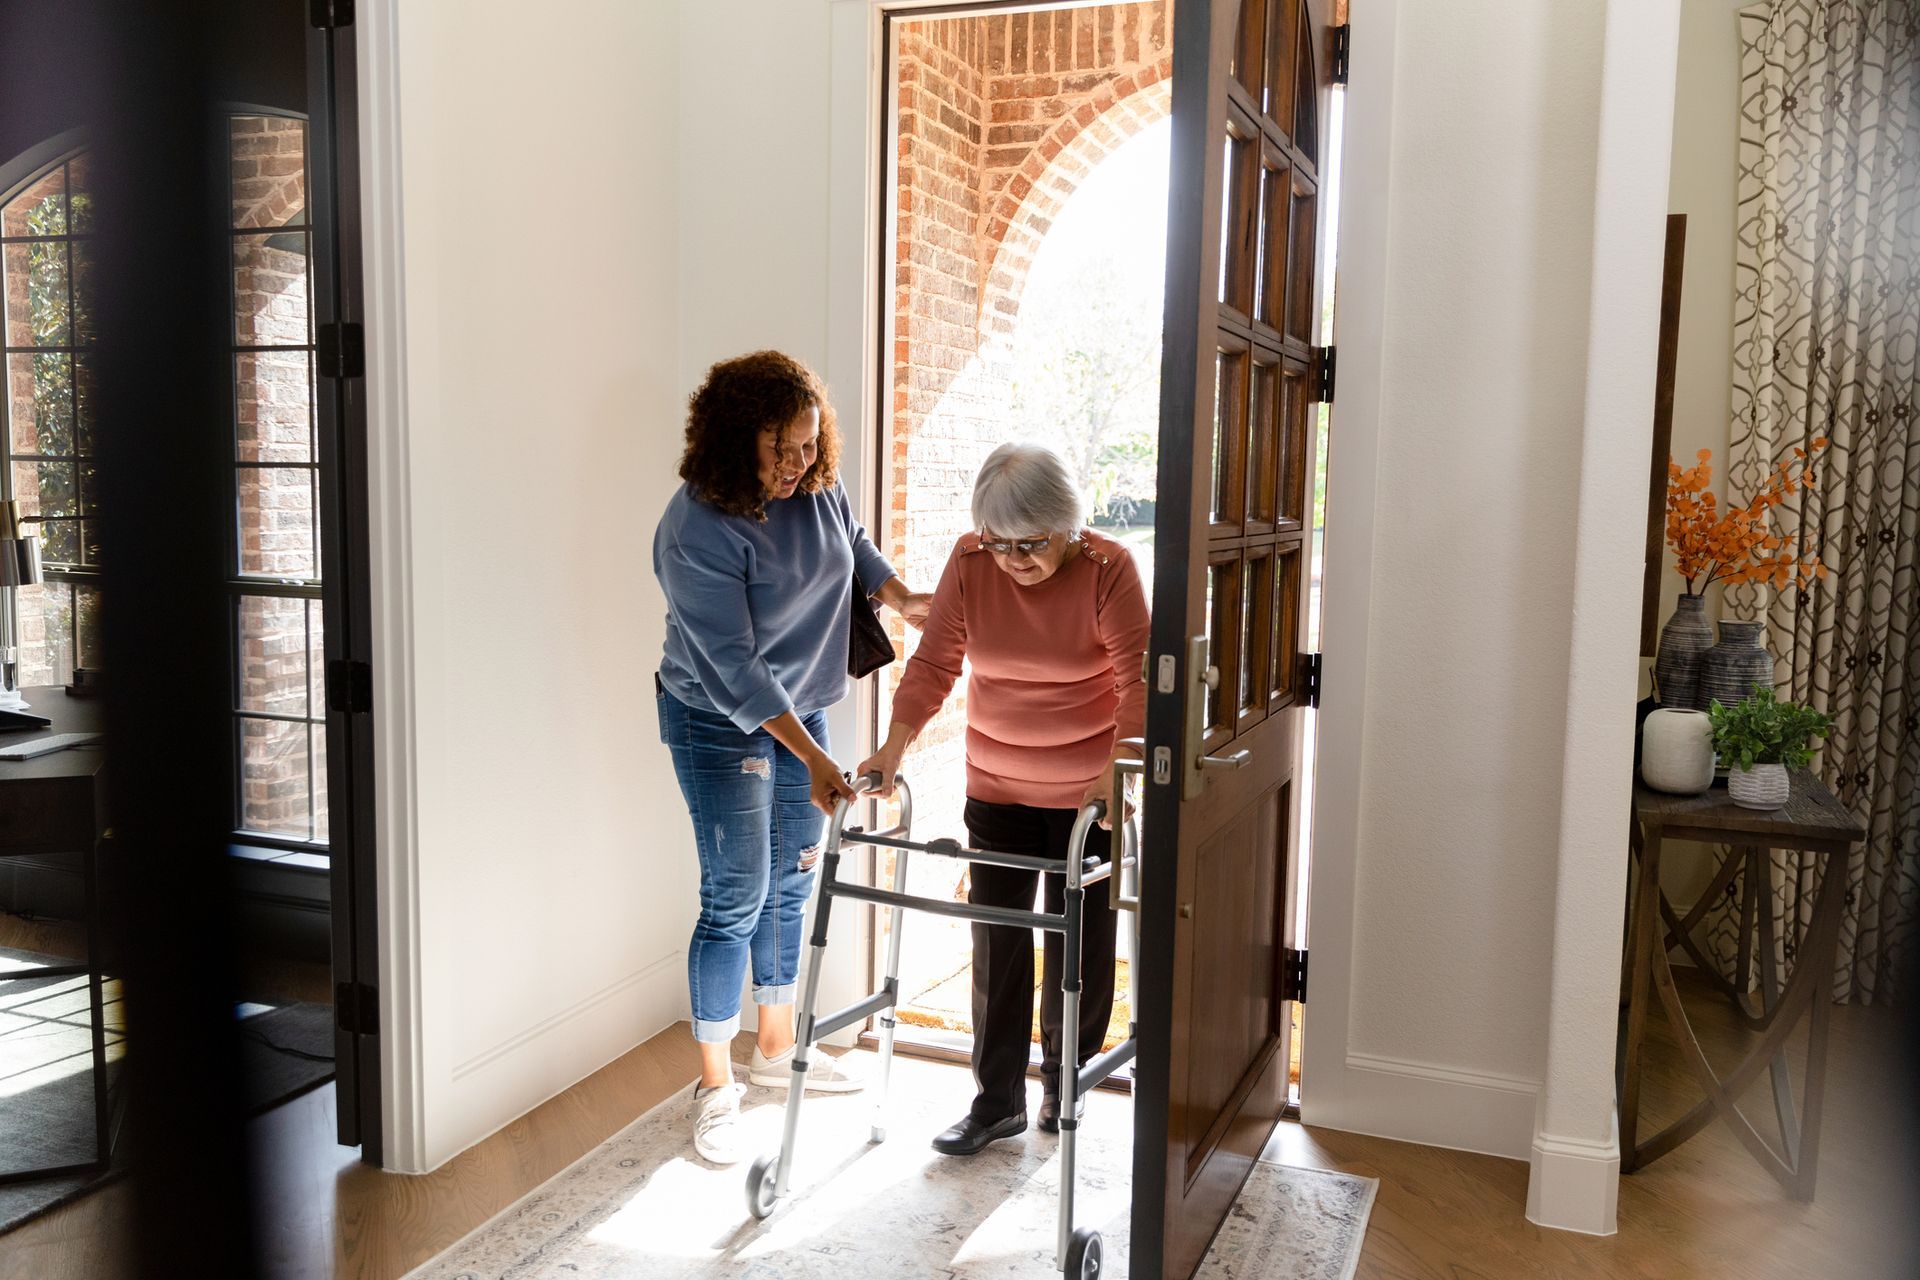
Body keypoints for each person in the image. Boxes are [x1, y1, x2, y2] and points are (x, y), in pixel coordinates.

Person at [653, 350, 929, 1164]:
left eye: (809, 445)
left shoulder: (816, 487)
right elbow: (733, 668)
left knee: (794, 874)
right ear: (735, 441)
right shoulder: (696, 527)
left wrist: (901, 595)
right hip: (716, 717)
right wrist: (812, 757)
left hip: (801, 707)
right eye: (781, 448)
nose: (798, 463)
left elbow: (854, 543)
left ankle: (774, 1051)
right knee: (735, 891)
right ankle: (713, 1085)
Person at [858, 442, 1148, 1155]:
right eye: (999, 541)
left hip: (1088, 802)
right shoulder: (970, 562)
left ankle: (1065, 1086)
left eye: (1030, 543)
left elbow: (1139, 677)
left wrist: (1121, 770)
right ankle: (995, 1102)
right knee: (998, 943)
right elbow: (934, 662)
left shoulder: (1109, 571)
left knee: (1079, 944)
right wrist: (893, 748)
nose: (1013, 560)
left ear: (1070, 525)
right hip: (997, 788)